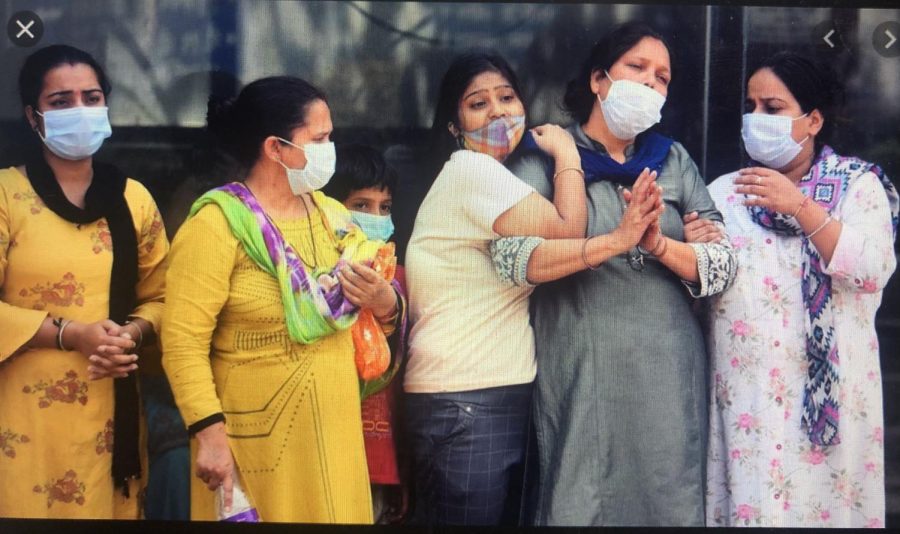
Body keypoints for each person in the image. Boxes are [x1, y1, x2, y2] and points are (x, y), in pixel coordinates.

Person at [500, 22, 737, 526]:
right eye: (638, 68)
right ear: (598, 80)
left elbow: (721, 265)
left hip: (668, 373)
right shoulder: (546, 156)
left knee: (667, 499)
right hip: (584, 367)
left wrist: (658, 244)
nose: (652, 83)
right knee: (581, 498)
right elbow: (514, 259)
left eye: (663, 77)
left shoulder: (672, 161)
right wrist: (615, 240)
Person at [162, 76, 399, 523]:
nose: (331, 148)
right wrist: (209, 435)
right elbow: (182, 343)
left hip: (334, 438)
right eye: (321, 138)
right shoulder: (218, 224)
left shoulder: (332, 216)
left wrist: (387, 303)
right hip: (256, 444)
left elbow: (375, 317)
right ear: (276, 148)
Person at [704, 52, 898, 528]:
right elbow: (703, 281)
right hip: (748, 401)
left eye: (773, 107)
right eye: (751, 107)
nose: (757, 119)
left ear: (812, 120)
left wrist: (801, 207)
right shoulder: (725, 193)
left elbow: (872, 270)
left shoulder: (858, 187)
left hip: (830, 402)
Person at [403, 51, 590, 526]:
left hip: (475, 396)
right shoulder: (472, 171)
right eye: (478, 104)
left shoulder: (491, 179)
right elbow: (568, 233)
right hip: (467, 398)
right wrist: (568, 154)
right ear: (453, 126)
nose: (499, 112)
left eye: (507, 98)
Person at [0, 44, 167, 518]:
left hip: (109, 418)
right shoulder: (6, 195)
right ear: (33, 118)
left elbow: (164, 296)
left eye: (91, 98)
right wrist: (72, 334)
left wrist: (130, 334)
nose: (80, 110)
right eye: (61, 102)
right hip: (19, 424)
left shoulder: (133, 199)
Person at [321, 143, 409, 524]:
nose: (376, 217)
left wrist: (387, 304)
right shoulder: (311, 272)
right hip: (321, 446)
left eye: (384, 207)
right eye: (362, 205)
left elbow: (403, 353)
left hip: (379, 455)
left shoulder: (398, 275)